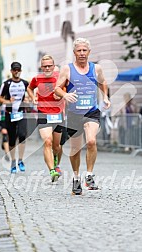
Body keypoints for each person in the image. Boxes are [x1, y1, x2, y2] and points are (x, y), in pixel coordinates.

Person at [55, 37, 110, 195]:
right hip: (74, 114)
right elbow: (57, 89)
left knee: (91, 141)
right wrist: (65, 95)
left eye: (84, 50)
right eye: (78, 50)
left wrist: (105, 96)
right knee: (75, 148)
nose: (81, 53)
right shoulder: (67, 69)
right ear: (74, 53)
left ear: (89, 52)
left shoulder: (96, 68)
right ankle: (76, 178)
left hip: (91, 112)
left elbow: (103, 81)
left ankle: (89, 175)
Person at [27, 55, 65, 182]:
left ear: (53, 66)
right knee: (47, 142)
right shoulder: (37, 78)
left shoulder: (60, 77)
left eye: (50, 65)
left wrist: (61, 97)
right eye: (45, 66)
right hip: (43, 113)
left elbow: (67, 89)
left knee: (57, 146)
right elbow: (29, 88)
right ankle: (52, 170)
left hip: (58, 113)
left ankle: (57, 164)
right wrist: (33, 98)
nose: (47, 68)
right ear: (41, 67)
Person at [0, 62, 29, 173]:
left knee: (22, 135)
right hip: (9, 114)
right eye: (14, 70)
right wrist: (7, 101)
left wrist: (27, 100)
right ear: (11, 71)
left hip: (21, 113)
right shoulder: (6, 84)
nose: (16, 71)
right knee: (11, 139)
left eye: (18, 70)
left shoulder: (25, 83)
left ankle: (20, 160)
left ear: (20, 71)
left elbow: (30, 94)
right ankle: (13, 161)